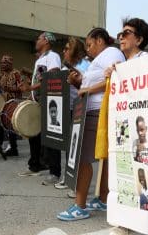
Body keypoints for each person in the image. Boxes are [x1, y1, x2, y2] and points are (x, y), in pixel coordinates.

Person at [57, 27, 125, 221]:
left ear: (100, 41)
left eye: (89, 44)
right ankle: (103, 198)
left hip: (96, 110)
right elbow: (92, 85)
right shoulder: (101, 59)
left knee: (81, 158)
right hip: (93, 109)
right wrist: (80, 84)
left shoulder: (111, 53)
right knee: (103, 158)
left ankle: (80, 206)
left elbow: (116, 78)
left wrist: (86, 89)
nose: (87, 49)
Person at [18, 31, 62, 187]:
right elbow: (40, 78)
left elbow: (53, 77)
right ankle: (35, 165)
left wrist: (30, 87)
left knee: (51, 137)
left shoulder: (53, 56)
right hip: (38, 100)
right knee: (34, 134)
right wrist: (31, 93)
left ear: (46, 41)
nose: (36, 41)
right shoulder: (41, 59)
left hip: (48, 100)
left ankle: (55, 173)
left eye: (39, 38)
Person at [54, 36, 91, 192]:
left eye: (67, 48)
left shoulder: (86, 65)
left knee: (78, 148)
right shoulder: (64, 68)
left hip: (81, 110)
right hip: (66, 110)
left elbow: (89, 85)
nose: (64, 51)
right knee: (69, 146)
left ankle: (77, 183)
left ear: (75, 50)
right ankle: (69, 177)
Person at [0, 55, 23, 156]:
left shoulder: (16, 73)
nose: (2, 65)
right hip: (4, 104)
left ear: (10, 64)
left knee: (11, 125)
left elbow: (22, 88)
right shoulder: (1, 75)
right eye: (1, 63)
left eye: (4, 63)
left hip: (14, 103)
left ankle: (14, 149)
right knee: (0, 123)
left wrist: (10, 89)